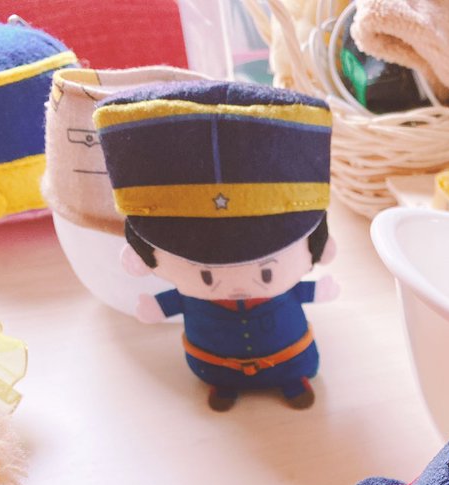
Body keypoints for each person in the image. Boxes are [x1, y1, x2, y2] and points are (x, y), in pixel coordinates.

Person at [94, 81, 337, 411]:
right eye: (206, 273)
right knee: (221, 375)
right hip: (216, 362)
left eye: (265, 271)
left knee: (291, 367)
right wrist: (158, 307)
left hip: (286, 356)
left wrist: (318, 290)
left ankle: (291, 380)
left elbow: (302, 291)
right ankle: (224, 385)